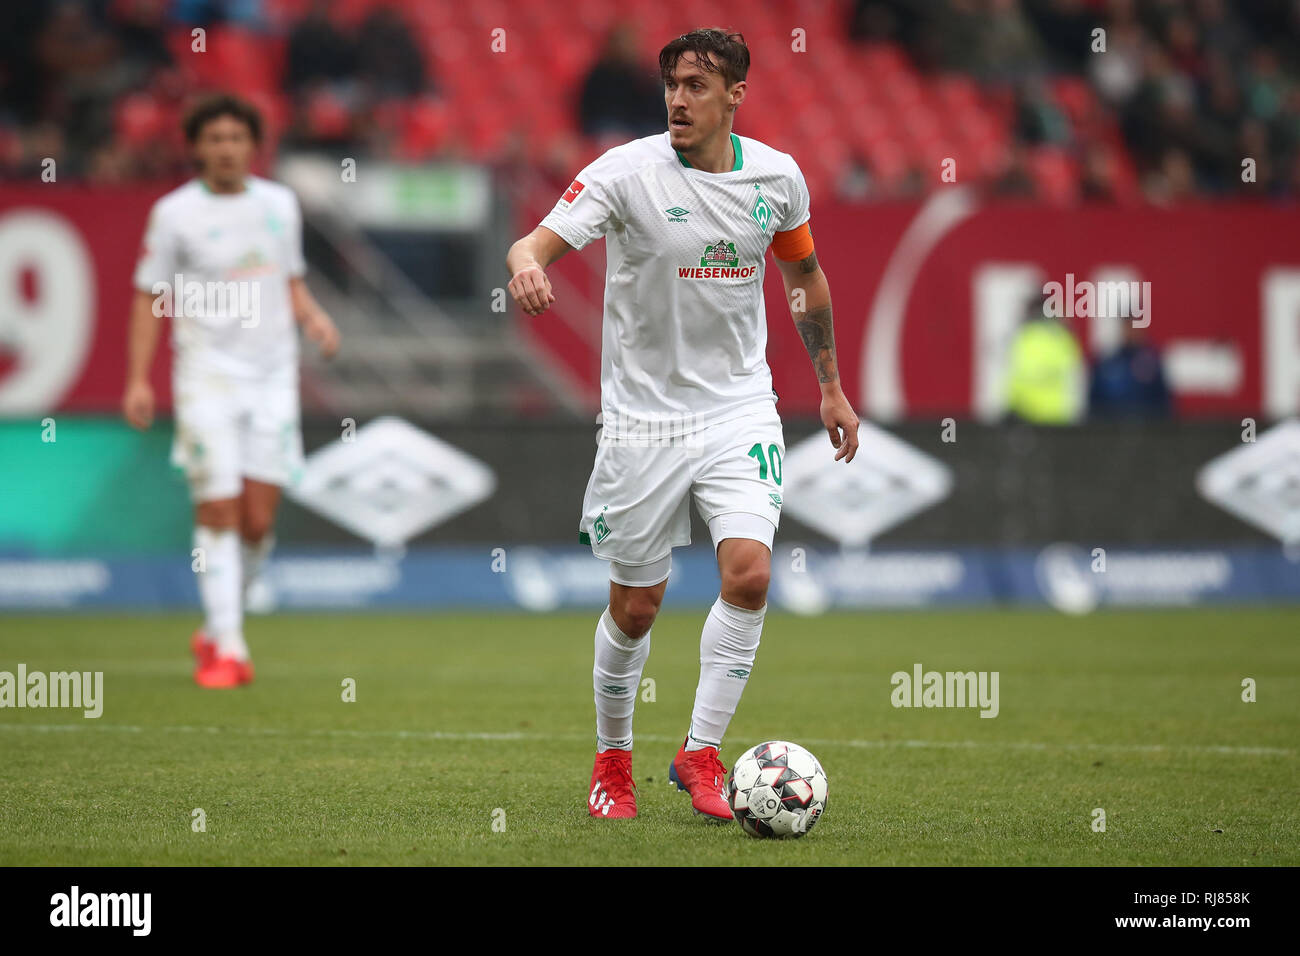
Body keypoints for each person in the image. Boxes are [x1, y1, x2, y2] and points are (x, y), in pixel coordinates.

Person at [505, 29, 859, 821]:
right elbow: (532, 240)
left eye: (698, 85)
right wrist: (527, 263)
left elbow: (804, 276)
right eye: (672, 83)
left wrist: (830, 387)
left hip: (739, 408)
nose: (678, 99)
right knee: (637, 606)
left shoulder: (777, 178)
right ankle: (612, 761)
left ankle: (700, 753)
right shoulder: (627, 173)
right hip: (643, 421)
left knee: (751, 574)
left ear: (736, 94)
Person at [121, 94, 340, 688]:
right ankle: (231, 648)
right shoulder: (174, 214)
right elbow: (149, 295)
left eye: (235, 137)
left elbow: (289, 278)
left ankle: (219, 626)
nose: (225, 148)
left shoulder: (279, 204)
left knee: (256, 523)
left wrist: (314, 318)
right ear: (196, 147)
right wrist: (138, 377)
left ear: (252, 145)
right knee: (217, 507)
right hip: (205, 378)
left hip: (272, 377)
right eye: (213, 138)